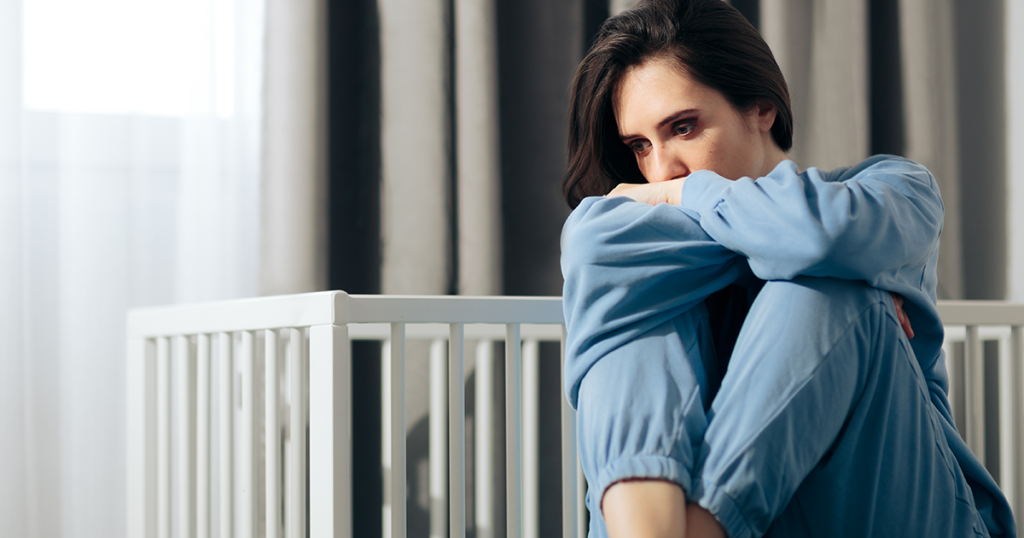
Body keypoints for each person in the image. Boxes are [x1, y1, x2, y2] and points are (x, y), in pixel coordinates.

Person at [559, 1, 1017, 537]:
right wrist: (791, 246)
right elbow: (590, 237)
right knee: (640, 300)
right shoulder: (631, 234)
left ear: (761, 107)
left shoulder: (892, 190)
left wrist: (686, 194)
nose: (660, 169)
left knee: (824, 285)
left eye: (682, 128)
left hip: (898, 510)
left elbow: (828, 233)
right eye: (639, 146)